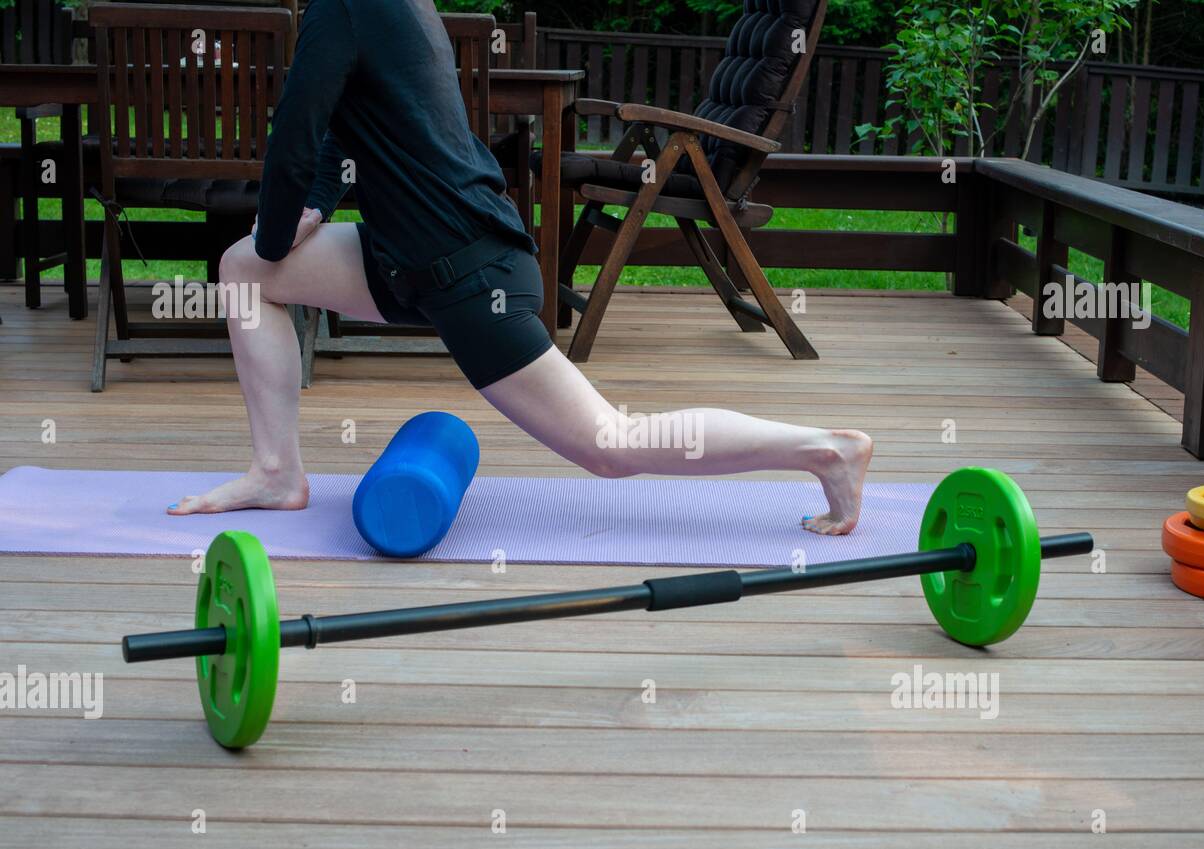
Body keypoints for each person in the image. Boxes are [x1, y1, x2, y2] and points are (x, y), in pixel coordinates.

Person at [169, 0, 872, 535]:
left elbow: (294, 130)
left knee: (610, 443)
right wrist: (309, 213)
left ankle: (824, 450)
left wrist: (276, 236)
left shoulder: (348, 5)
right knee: (245, 272)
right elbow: (335, 127)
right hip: (411, 258)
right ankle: (276, 470)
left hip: (471, 274)